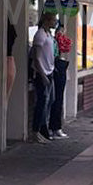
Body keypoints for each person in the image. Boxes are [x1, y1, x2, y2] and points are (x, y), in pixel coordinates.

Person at [30, 10, 56, 143]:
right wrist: (42, 74)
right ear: (47, 21)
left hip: (49, 71)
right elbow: (36, 57)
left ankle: (43, 127)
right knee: (41, 102)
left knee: (49, 100)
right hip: (42, 73)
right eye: (53, 20)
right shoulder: (40, 35)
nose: (55, 22)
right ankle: (37, 131)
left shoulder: (48, 34)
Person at [48, 20, 72, 139]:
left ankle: (56, 127)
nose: (63, 33)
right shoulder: (53, 42)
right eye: (61, 30)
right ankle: (54, 127)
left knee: (58, 99)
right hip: (57, 68)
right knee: (56, 100)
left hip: (60, 67)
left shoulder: (55, 41)